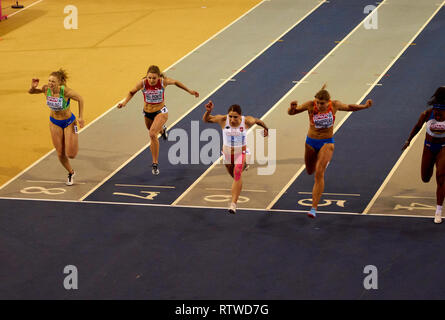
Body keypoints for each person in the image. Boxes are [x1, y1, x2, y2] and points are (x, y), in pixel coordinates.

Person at [288, 84, 372, 218]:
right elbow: (292, 113)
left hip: (326, 143)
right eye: (318, 102)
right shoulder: (310, 105)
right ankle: (320, 162)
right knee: (310, 170)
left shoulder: (335, 105)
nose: (319, 105)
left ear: (329, 101)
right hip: (310, 142)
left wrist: (365, 106)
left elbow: (350, 107)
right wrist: (292, 108)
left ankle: (313, 208)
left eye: (322, 103)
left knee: (319, 173)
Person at [117, 65, 199, 175]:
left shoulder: (162, 82)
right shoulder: (143, 83)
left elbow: (176, 82)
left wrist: (190, 91)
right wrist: (124, 103)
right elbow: (131, 92)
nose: (151, 80)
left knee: (152, 134)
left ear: (158, 77)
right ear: (147, 76)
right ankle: (162, 129)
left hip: (161, 112)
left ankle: (155, 163)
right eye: (149, 77)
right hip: (147, 113)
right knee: (152, 130)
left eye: (154, 78)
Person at [203, 100, 269, 214]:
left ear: (240, 115)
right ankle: (243, 173)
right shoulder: (223, 120)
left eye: (235, 117)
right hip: (227, 153)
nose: (232, 120)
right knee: (234, 176)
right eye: (230, 116)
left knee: (237, 171)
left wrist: (266, 128)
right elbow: (206, 120)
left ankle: (233, 204)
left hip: (241, 152)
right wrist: (208, 112)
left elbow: (258, 121)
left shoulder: (247, 121)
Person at [28, 69, 84, 185]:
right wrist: (33, 87)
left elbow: (80, 99)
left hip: (69, 122)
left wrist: (81, 117)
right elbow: (31, 92)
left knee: (71, 154)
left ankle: (73, 139)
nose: (50, 83)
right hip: (54, 123)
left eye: (53, 81)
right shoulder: (46, 89)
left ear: (59, 83)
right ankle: (71, 172)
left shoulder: (66, 92)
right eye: (49, 81)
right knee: (60, 153)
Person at [403, 86, 445, 224]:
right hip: (428, 147)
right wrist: (408, 140)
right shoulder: (427, 114)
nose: (439, 115)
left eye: (441, 112)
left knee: (441, 177)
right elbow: (417, 126)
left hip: (443, 148)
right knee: (425, 178)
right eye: (437, 112)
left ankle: (438, 211)